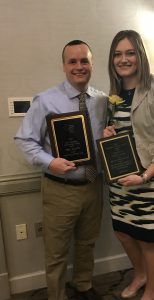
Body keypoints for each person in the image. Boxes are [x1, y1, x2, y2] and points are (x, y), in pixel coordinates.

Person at [15, 40, 108, 300]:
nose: (79, 66)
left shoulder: (101, 100)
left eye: (84, 61)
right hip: (60, 189)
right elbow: (25, 140)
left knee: (87, 243)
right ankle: (56, 295)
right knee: (56, 252)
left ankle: (83, 286)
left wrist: (109, 137)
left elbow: (101, 141)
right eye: (73, 61)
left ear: (91, 64)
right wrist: (50, 162)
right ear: (63, 66)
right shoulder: (45, 101)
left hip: (93, 185)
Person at [103, 30, 154, 300]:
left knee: (149, 240)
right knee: (124, 233)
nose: (123, 59)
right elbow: (126, 132)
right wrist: (109, 133)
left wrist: (146, 176)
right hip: (122, 181)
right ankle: (140, 275)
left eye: (129, 53)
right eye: (117, 54)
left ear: (140, 55)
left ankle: (153, 289)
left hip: (152, 181)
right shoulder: (114, 93)